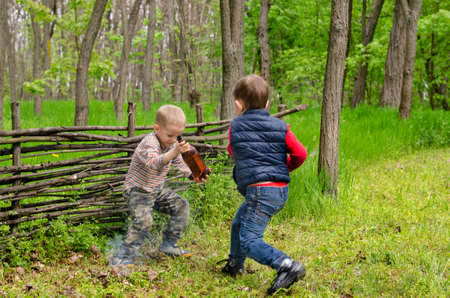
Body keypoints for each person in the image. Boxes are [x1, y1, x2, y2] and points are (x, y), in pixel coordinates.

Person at [220, 74, 308, 295]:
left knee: (249, 239)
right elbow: (300, 153)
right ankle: (235, 265)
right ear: (267, 103)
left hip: (260, 191)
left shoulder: (236, 126)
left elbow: (234, 152)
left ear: (239, 104)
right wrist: (282, 168)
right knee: (239, 223)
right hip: (278, 191)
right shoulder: (280, 126)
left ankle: (286, 265)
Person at [109, 104, 207, 267]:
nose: (175, 140)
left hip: (156, 189)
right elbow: (154, 163)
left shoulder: (170, 145)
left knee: (182, 207)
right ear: (157, 128)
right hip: (138, 190)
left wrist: (192, 175)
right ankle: (122, 256)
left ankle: (168, 244)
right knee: (145, 221)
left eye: (178, 136)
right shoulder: (149, 143)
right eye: (170, 135)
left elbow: (179, 162)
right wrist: (174, 151)